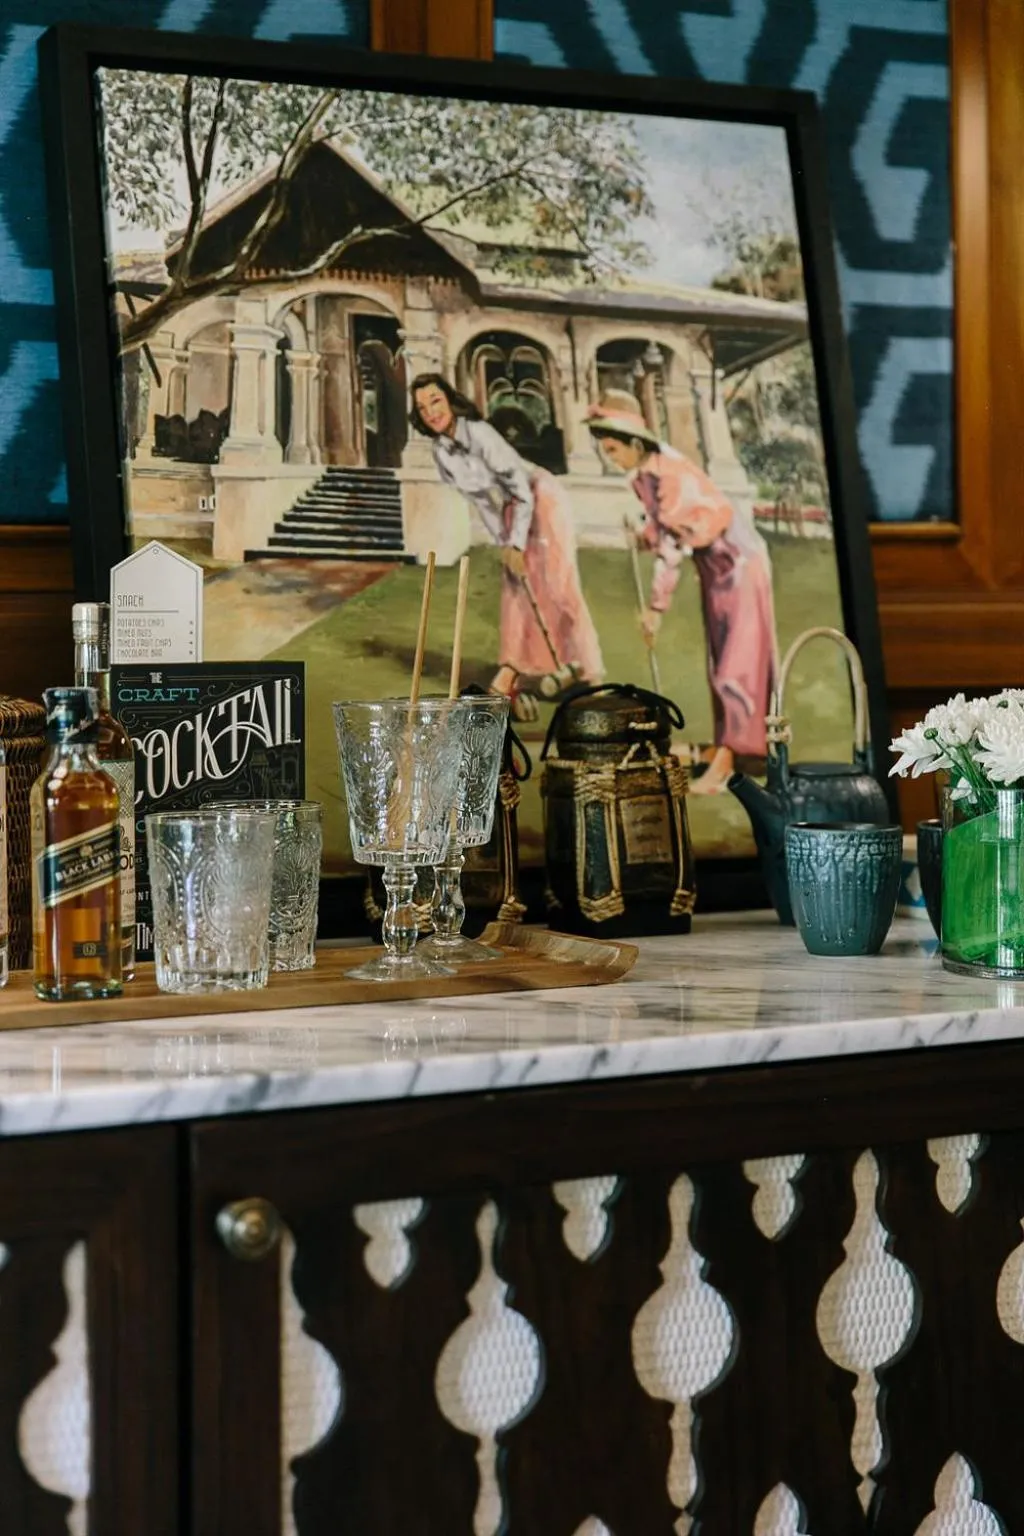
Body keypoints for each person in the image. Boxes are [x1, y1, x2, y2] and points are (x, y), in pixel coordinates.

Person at [586, 391, 778, 795]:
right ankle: (739, 749)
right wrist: (642, 535)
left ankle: (733, 760)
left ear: (636, 444)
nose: (611, 458)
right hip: (714, 565)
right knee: (719, 662)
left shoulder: (669, 474)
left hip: (738, 562)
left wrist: (656, 607)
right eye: (605, 451)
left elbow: (672, 546)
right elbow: (662, 529)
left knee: (736, 666)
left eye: (613, 450)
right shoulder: (646, 476)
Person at [409, 373, 603, 715]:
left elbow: (521, 490)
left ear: (451, 401)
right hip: (512, 510)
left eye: (435, 401)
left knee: (558, 585)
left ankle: (589, 673)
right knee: (517, 589)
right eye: (422, 408)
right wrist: (505, 543)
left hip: (540, 498)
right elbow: (482, 500)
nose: (431, 413)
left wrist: (516, 542)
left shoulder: (481, 434)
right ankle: (511, 671)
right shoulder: (442, 453)